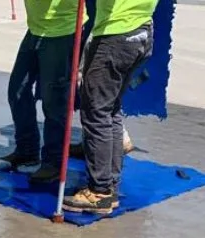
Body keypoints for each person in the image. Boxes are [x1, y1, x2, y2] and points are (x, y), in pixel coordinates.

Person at [63, 0, 155, 214]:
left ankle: (100, 191)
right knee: (110, 111)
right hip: (140, 29)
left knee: (96, 113)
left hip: (117, 34)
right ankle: (108, 184)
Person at [1, 0, 86, 185]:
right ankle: (27, 150)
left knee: (53, 100)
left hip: (62, 30)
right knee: (17, 90)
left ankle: (54, 162)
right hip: (36, 28)